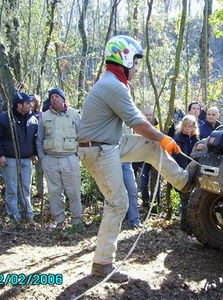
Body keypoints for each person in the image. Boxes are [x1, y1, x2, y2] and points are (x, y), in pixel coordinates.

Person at [77, 35, 199, 282]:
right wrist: (164, 137)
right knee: (118, 202)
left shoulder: (113, 82)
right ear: (124, 58)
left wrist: (158, 140)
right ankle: (102, 263)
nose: (137, 68)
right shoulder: (112, 85)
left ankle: (184, 182)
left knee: (150, 147)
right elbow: (138, 123)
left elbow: (139, 130)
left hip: (108, 144)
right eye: (135, 62)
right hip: (98, 150)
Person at [36, 88, 83, 230]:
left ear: (63, 99)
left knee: (73, 191)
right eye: (51, 97)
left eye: (57, 96)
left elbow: (82, 137)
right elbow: (39, 139)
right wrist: (43, 159)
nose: (54, 99)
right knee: (54, 192)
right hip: (50, 159)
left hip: (70, 158)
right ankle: (60, 221)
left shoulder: (75, 115)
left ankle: (77, 220)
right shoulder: (44, 116)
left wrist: (78, 156)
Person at [0, 92, 38, 223]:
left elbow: (35, 139)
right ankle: (14, 216)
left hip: (27, 159)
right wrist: (0, 155)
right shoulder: (3, 119)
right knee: (12, 188)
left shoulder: (33, 119)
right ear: (19, 105)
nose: (31, 105)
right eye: (28, 103)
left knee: (26, 189)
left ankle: (28, 215)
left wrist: (35, 153)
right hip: (9, 159)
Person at [173, 115, 199, 233]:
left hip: (193, 173)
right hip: (182, 172)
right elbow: (174, 157)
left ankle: (190, 225)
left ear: (194, 127)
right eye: (185, 126)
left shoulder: (196, 140)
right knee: (184, 199)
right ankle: (185, 226)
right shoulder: (178, 139)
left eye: (190, 126)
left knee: (191, 200)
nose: (187, 128)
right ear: (181, 126)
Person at [139, 107, 161, 209]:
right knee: (143, 182)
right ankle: (146, 202)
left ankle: (156, 204)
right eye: (146, 115)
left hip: (156, 157)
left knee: (156, 182)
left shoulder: (159, 125)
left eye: (150, 115)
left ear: (154, 115)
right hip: (144, 158)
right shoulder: (139, 126)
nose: (148, 117)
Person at [30, 94, 44, 198]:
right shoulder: (26, 115)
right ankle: (28, 192)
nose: (31, 103)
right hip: (29, 148)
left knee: (40, 171)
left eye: (33, 101)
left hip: (39, 147)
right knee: (28, 173)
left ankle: (40, 192)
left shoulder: (41, 115)